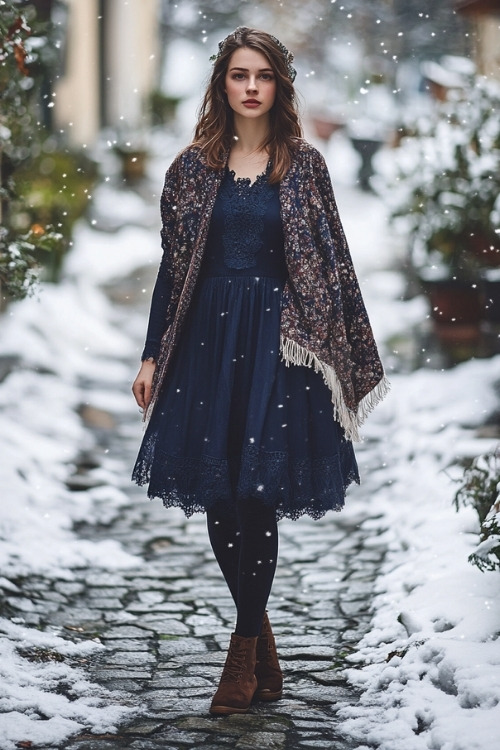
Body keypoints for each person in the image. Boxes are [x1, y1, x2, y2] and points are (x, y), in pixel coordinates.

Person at [132, 26, 388, 716]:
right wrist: (154, 352)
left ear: (280, 86)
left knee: (254, 497)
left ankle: (241, 653)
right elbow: (173, 269)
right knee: (219, 496)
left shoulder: (303, 167)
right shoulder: (191, 168)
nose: (250, 87)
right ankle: (261, 635)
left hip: (277, 347)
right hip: (207, 347)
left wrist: (326, 344)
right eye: (239, 75)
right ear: (222, 84)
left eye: (263, 76)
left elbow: (330, 265)